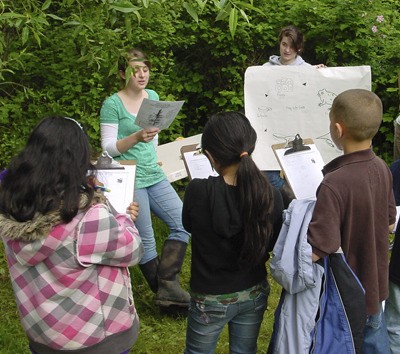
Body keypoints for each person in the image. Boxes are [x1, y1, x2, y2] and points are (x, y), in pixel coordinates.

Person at [0, 116, 143, 354]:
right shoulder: (87, 218)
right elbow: (133, 248)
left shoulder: (13, 206)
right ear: (77, 159)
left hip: (42, 335)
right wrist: (119, 214)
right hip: (97, 339)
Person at [182, 111, 284, 353]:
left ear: (209, 155)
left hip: (209, 298)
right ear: (252, 146)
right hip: (253, 292)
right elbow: (272, 241)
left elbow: (188, 225)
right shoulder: (271, 194)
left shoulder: (198, 191)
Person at [99, 47, 190, 308]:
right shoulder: (112, 104)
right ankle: (164, 292)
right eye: (135, 70)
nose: (141, 75)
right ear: (121, 73)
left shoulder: (152, 96)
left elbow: (154, 133)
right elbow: (107, 148)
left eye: (145, 69)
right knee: (145, 238)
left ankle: (166, 287)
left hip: (153, 171)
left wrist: (152, 148)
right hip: (129, 175)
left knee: (183, 221)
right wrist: (136, 137)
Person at [307, 89, 396, 353]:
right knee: (375, 339)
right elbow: (390, 222)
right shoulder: (382, 167)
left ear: (337, 128)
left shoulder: (334, 182)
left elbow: (319, 247)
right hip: (376, 287)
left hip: (346, 296)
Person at [262, 25, 325, 206]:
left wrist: (321, 75)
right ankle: (286, 204)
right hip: (271, 129)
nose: (287, 49)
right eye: (284, 44)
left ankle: (301, 207)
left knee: (300, 171)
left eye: (292, 46)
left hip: (298, 129)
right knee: (269, 174)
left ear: (299, 48)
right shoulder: (266, 69)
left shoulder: (307, 69)